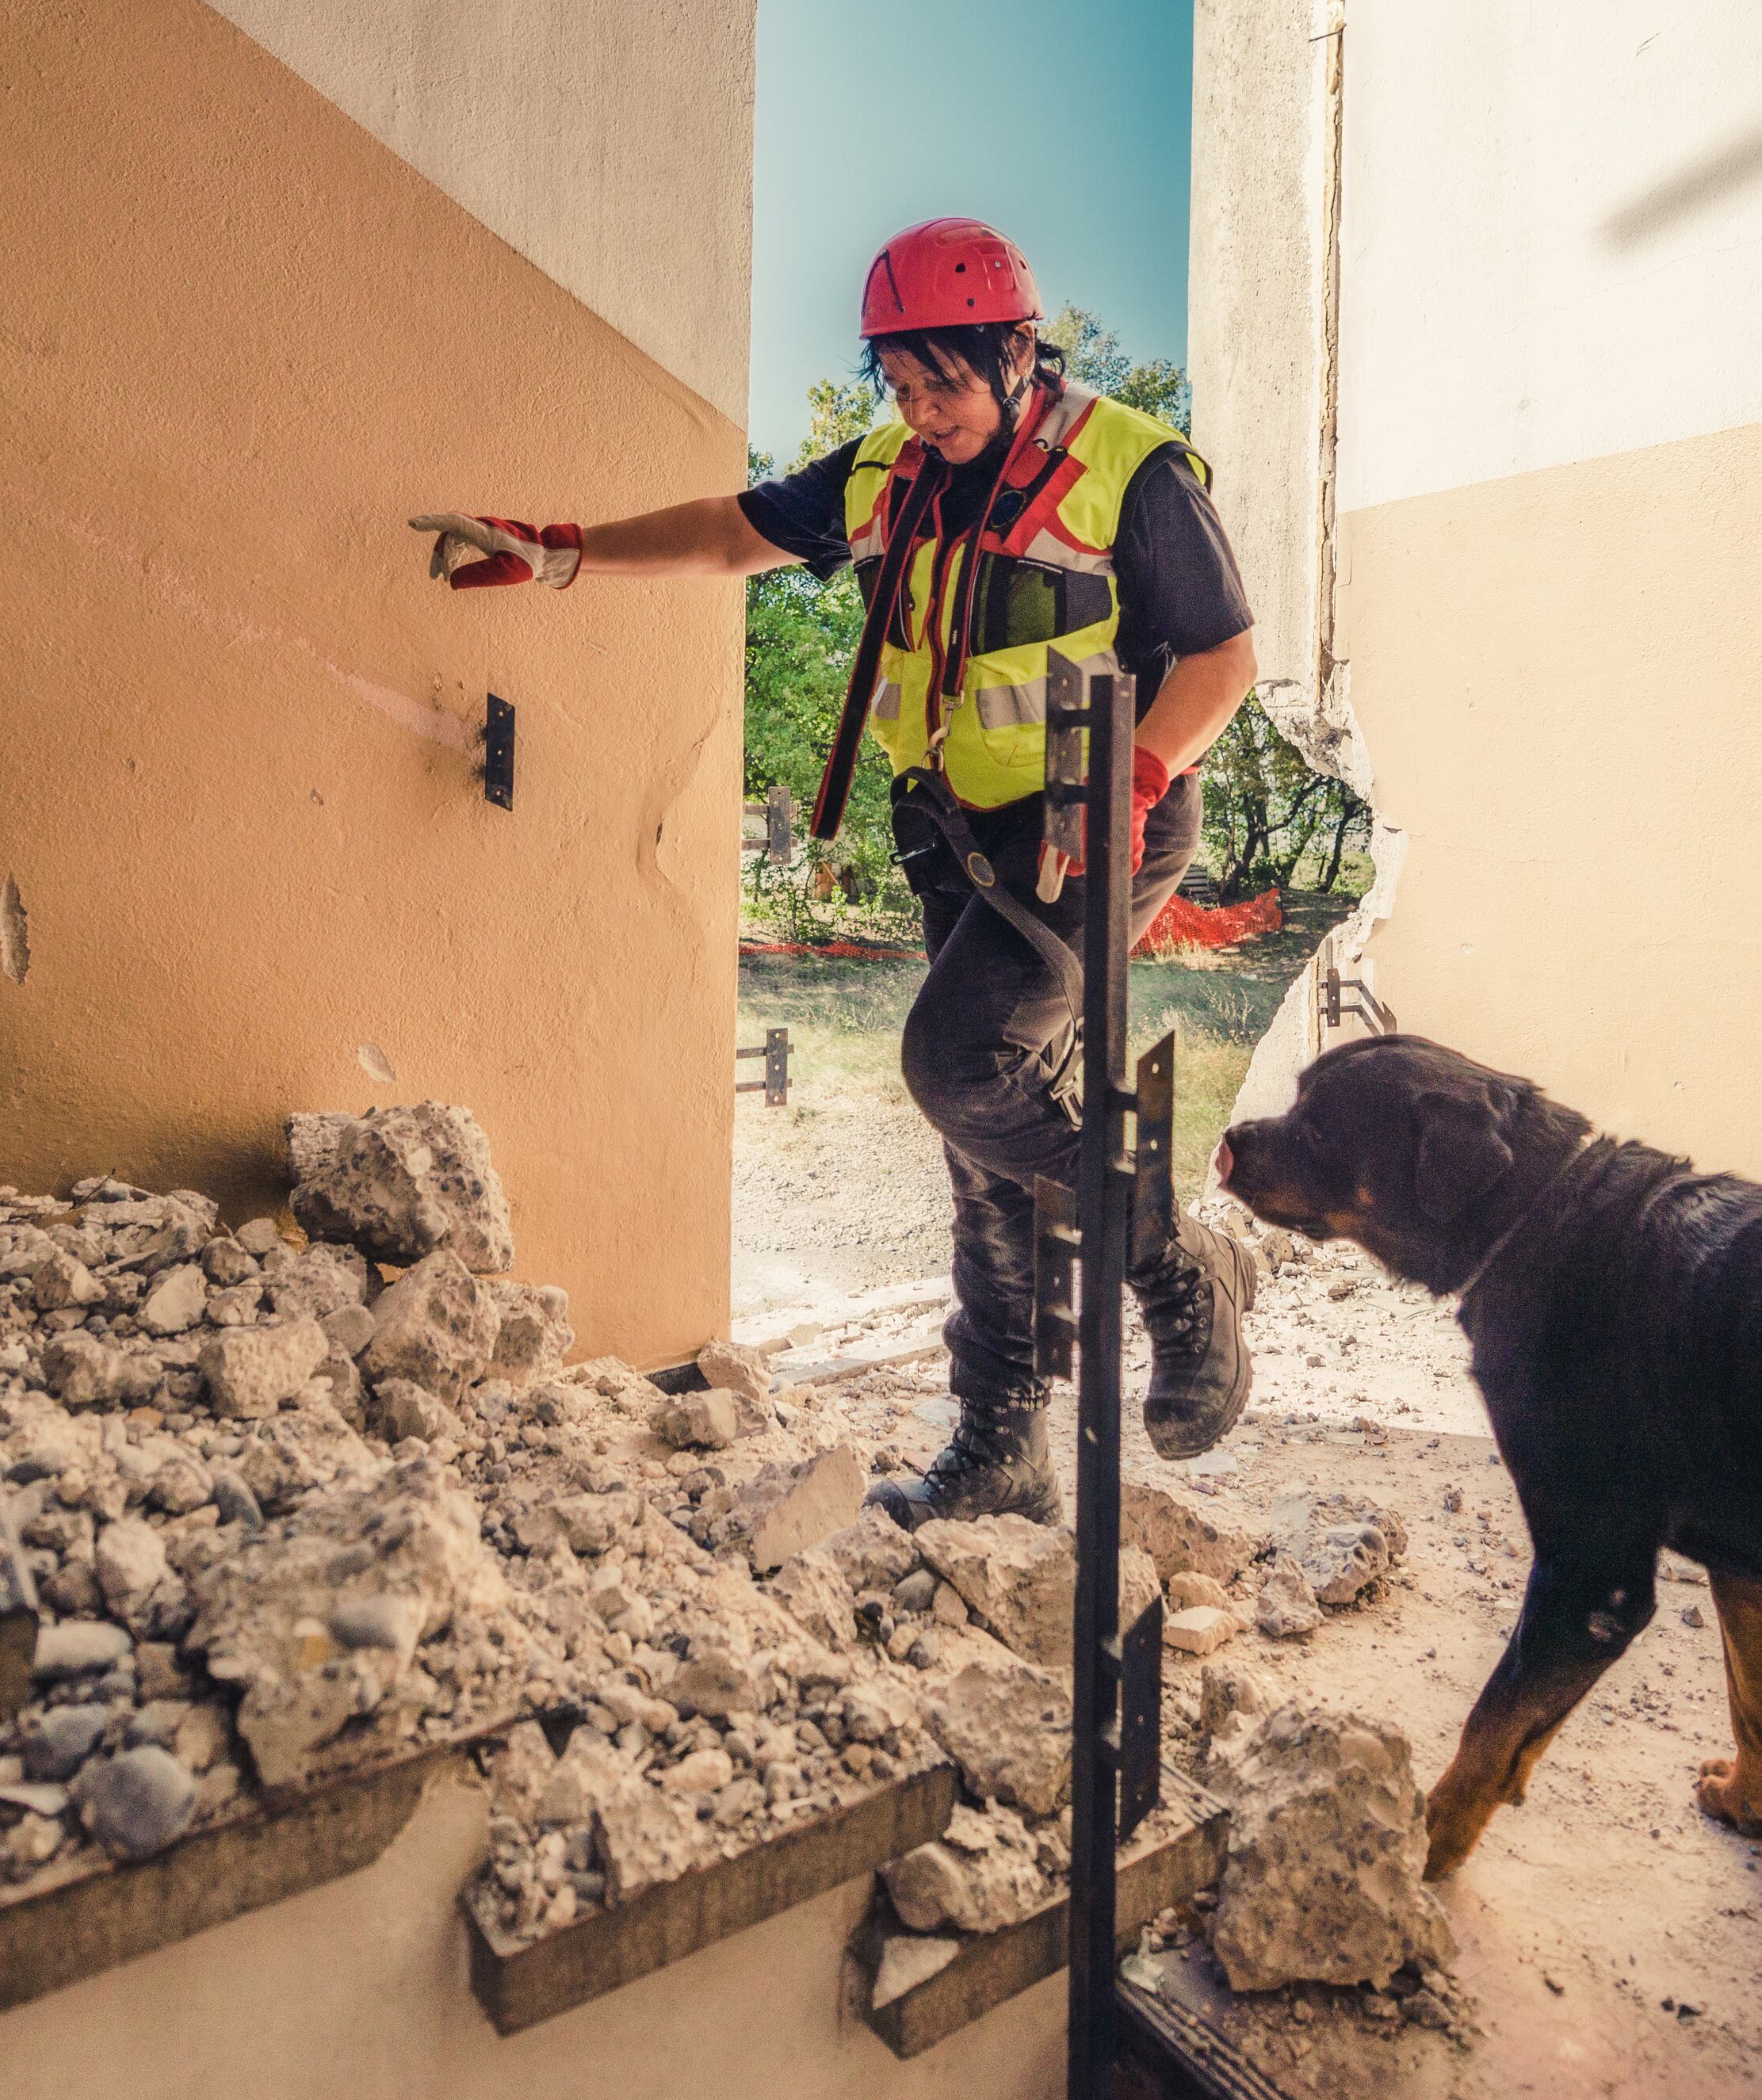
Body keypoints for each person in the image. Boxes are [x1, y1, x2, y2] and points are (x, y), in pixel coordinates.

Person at [409, 217, 1263, 1522]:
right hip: (961, 839)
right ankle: (1003, 1446)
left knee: (957, 1066)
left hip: (1097, 824)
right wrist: (565, 549)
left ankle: (1176, 1268)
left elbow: (1223, 658)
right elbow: (731, 531)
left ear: (1016, 352)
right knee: (980, 1125)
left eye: (945, 383)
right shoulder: (885, 474)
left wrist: (1134, 776)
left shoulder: (1128, 467)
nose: (922, 412)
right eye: (901, 386)